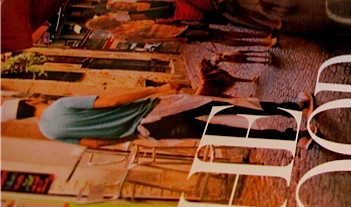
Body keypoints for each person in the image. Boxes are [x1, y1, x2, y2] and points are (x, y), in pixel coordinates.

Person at [1, 84, 217, 145]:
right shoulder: (60, 105)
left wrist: (132, 135)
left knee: (212, 133)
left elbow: (95, 143)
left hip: (147, 131)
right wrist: (159, 88)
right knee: (216, 107)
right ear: (29, 101)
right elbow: (113, 102)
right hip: (155, 109)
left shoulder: (48, 132)